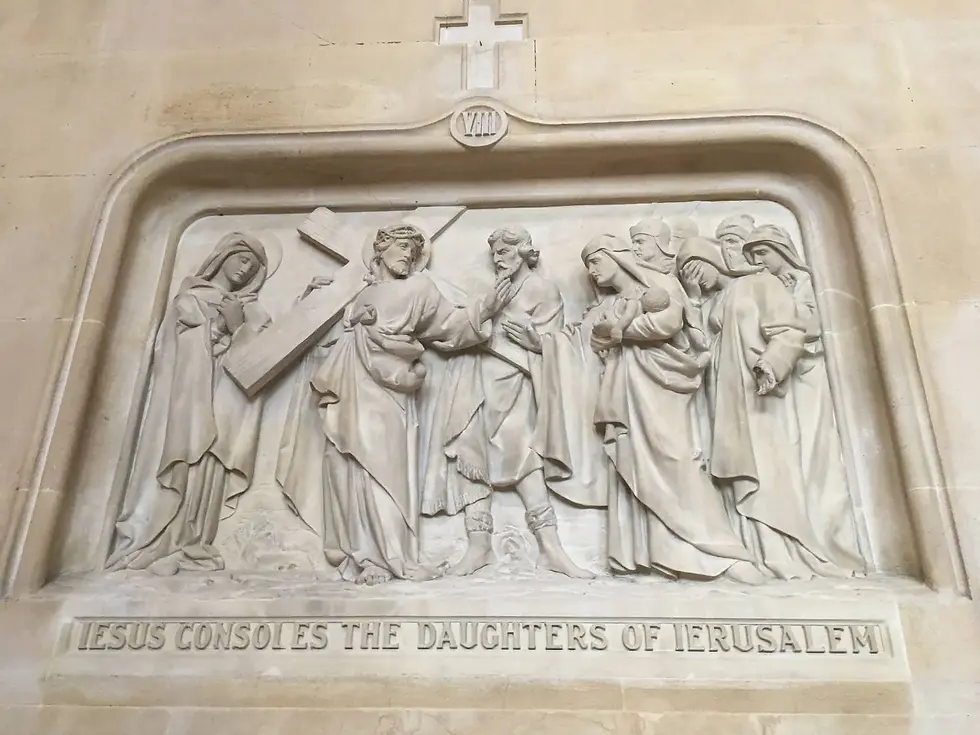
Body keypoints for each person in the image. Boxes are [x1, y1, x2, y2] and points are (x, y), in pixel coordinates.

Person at [278, 223, 511, 586]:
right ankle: (362, 555)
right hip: (347, 383)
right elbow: (321, 342)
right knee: (345, 465)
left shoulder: (419, 288)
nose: (408, 255)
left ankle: (393, 556)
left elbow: (449, 328)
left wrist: (485, 308)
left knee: (383, 468)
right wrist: (309, 302)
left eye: (414, 252)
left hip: (390, 390)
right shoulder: (355, 293)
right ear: (381, 248)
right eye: (402, 247)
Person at [581, 234, 762, 583]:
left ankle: (722, 552)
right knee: (633, 467)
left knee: (677, 459)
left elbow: (668, 323)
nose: (592, 271)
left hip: (663, 385)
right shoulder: (612, 303)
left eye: (596, 261)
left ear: (616, 256)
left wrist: (620, 331)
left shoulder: (658, 282)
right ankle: (654, 558)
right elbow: (594, 339)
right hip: (626, 388)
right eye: (588, 266)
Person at [677, 236, 856, 580]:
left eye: (696, 267)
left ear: (714, 259)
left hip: (756, 390)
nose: (694, 277)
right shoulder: (710, 302)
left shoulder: (759, 283)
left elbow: (789, 329)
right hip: (720, 394)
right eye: (686, 273)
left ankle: (789, 550)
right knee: (732, 471)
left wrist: (772, 363)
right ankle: (757, 551)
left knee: (766, 468)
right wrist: (694, 300)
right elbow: (696, 345)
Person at [422, 226, 593, 578]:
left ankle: (551, 549)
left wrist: (536, 343)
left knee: (525, 459)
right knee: (471, 459)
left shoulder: (543, 290)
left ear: (524, 251)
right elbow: (451, 333)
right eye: (494, 253)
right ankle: (478, 547)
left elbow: (558, 344)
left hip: (517, 384)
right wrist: (486, 310)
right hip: (474, 383)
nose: (498, 259)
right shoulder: (488, 289)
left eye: (504, 251)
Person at [108, 233, 272, 575]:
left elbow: (264, 355)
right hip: (188, 399)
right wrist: (223, 327)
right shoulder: (191, 298)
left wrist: (240, 325)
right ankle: (156, 542)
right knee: (184, 459)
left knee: (208, 469)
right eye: (242, 259)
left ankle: (192, 543)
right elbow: (176, 349)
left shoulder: (249, 309)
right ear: (224, 255)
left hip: (224, 403)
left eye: (253, 267)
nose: (245, 270)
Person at [742, 225, 865, 571]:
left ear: (782, 250)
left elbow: (814, 325)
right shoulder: (767, 285)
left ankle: (829, 540)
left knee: (815, 454)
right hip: (775, 382)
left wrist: (783, 309)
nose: (759, 261)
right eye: (753, 256)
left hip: (806, 378)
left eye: (763, 253)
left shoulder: (806, 282)